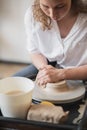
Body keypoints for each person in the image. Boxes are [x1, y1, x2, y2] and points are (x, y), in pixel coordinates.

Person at [13, 0, 87, 87]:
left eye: (60, 7)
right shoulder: (32, 15)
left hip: (82, 71)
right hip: (50, 64)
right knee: (10, 86)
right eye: (45, 6)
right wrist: (45, 70)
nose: (52, 15)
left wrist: (61, 74)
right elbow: (35, 52)